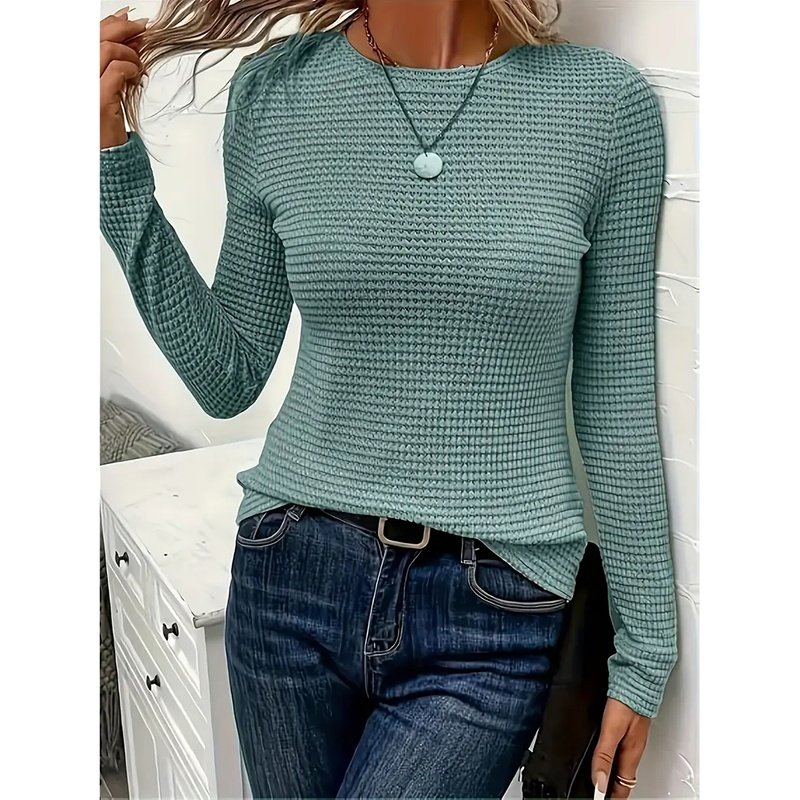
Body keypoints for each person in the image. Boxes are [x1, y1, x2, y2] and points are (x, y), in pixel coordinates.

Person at [99, 2, 678, 798]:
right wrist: (113, 169)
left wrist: (644, 656)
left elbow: (615, 398)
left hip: (492, 611)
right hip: (291, 576)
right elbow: (228, 373)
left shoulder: (604, 107)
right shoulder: (277, 91)